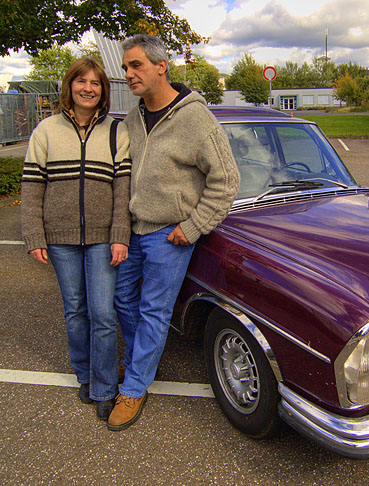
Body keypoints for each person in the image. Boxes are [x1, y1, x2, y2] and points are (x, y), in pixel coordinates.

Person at [109, 35, 240, 431]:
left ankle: (134, 388)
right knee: (120, 298)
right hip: (134, 229)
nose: (128, 74)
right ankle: (139, 358)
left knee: (154, 311)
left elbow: (227, 179)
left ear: (160, 66)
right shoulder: (132, 118)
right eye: (126, 67)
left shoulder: (195, 119)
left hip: (170, 235)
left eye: (136, 66)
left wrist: (193, 226)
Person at [21, 58, 131, 420]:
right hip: (60, 237)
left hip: (103, 239)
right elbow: (33, 186)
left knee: (102, 314)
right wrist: (34, 234)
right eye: (81, 81)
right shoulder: (46, 130)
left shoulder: (116, 131)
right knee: (76, 312)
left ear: (103, 91)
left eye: (95, 83)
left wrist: (120, 236)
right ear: (69, 86)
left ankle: (103, 388)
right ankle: (84, 374)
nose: (88, 88)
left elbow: (122, 189)